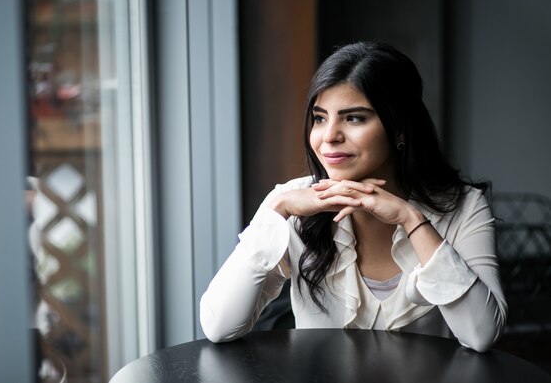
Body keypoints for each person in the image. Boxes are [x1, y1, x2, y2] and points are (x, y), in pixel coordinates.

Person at [199, 41, 507, 352]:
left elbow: (481, 335)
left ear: (400, 128)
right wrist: (277, 210)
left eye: (354, 118)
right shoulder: (291, 203)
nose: (329, 136)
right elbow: (219, 326)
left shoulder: (464, 206)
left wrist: (411, 220)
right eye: (320, 118)